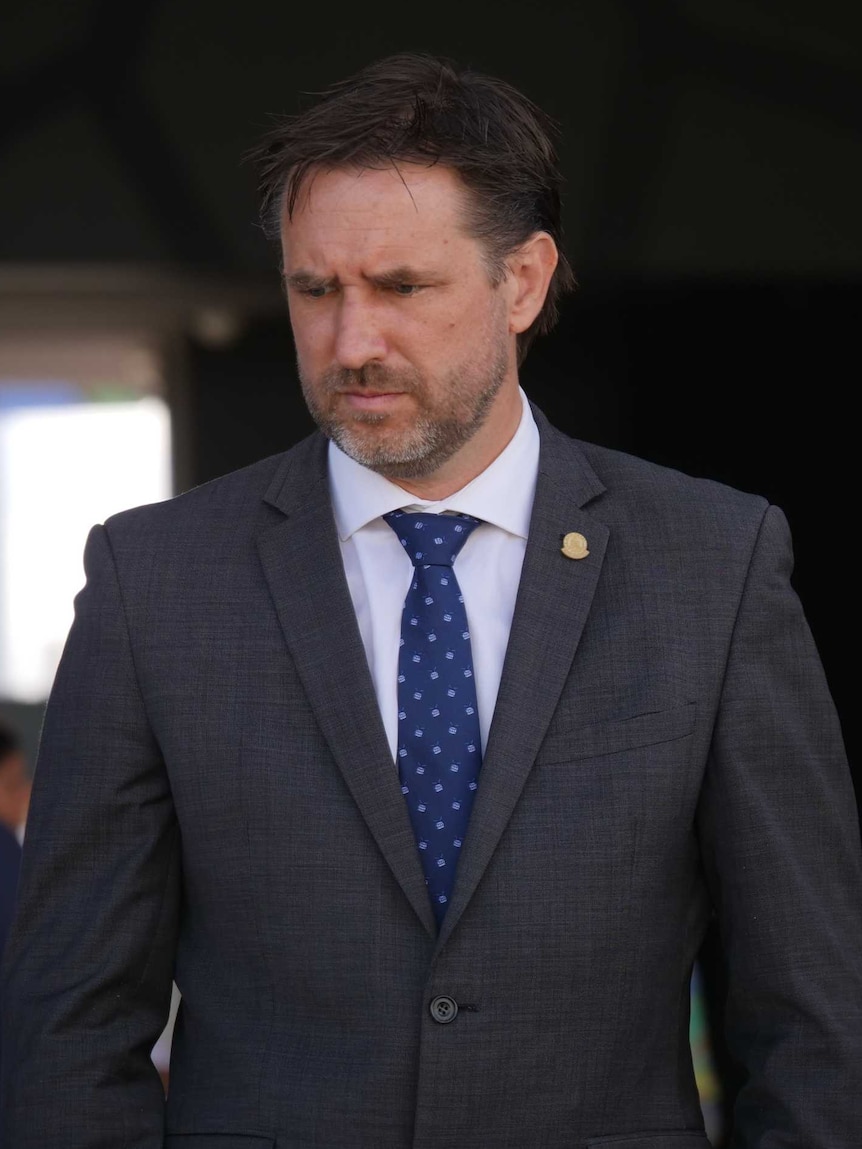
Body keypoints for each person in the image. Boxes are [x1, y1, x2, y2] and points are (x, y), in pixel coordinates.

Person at [2, 53, 861, 1149]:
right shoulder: (154, 580)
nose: (352, 341)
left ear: (524, 282)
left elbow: (813, 1021)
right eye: (316, 290)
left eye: (402, 287)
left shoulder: (713, 563)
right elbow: (70, 1025)